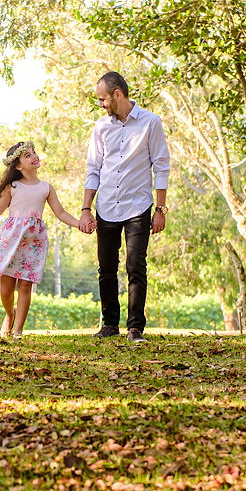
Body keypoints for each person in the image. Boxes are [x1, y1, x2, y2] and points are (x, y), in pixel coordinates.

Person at [78, 71, 170, 343]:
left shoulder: (150, 123)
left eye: (103, 99)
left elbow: (161, 166)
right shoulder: (101, 127)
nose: (101, 104)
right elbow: (93, 169)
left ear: (117, 94)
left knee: (135, 265)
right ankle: (109, 325)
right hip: (106, 205)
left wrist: (160, 211)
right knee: (106, 267)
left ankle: (135, 328)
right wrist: (85, 208)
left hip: (137, 205)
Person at [0, 141, 82, 338]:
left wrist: (79, 223)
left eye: (34, 152)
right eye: (27, 155)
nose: (34, 156)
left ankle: (18, 330)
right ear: (18, 165)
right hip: (11, 239)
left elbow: (61, 212)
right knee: (6, 288)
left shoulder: (46, 188)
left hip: (33, 241)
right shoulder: (13, 187)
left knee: (25, 284)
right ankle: (9, 315)